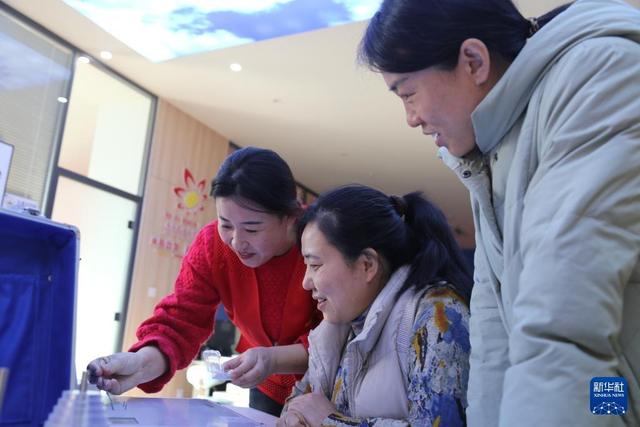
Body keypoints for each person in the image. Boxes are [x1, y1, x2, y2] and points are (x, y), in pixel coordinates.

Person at [359, 0, 640, 425]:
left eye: (408, 93)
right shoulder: (492, 149)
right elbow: (494, 335)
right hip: (603, 387)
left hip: (611, 388)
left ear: (473, 61)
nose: (411, 119)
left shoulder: (597, 74)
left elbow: (561, 308)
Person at [88, 147, 322, 416]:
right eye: (226, 224)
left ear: (290, 217)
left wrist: (274, 359)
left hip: (325, 384)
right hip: (266, 382)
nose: (237, 242)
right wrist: (141, 362)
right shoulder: (212, 246)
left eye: (252, 228)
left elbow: (338, 334)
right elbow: (181, 320)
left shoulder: (321, 241)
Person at [278, 185, 473, 426]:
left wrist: (329, 422)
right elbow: (301, 404)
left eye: (315, 265)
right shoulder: (342, 324)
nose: (306, 282)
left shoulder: (438, 315)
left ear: (367, 265)